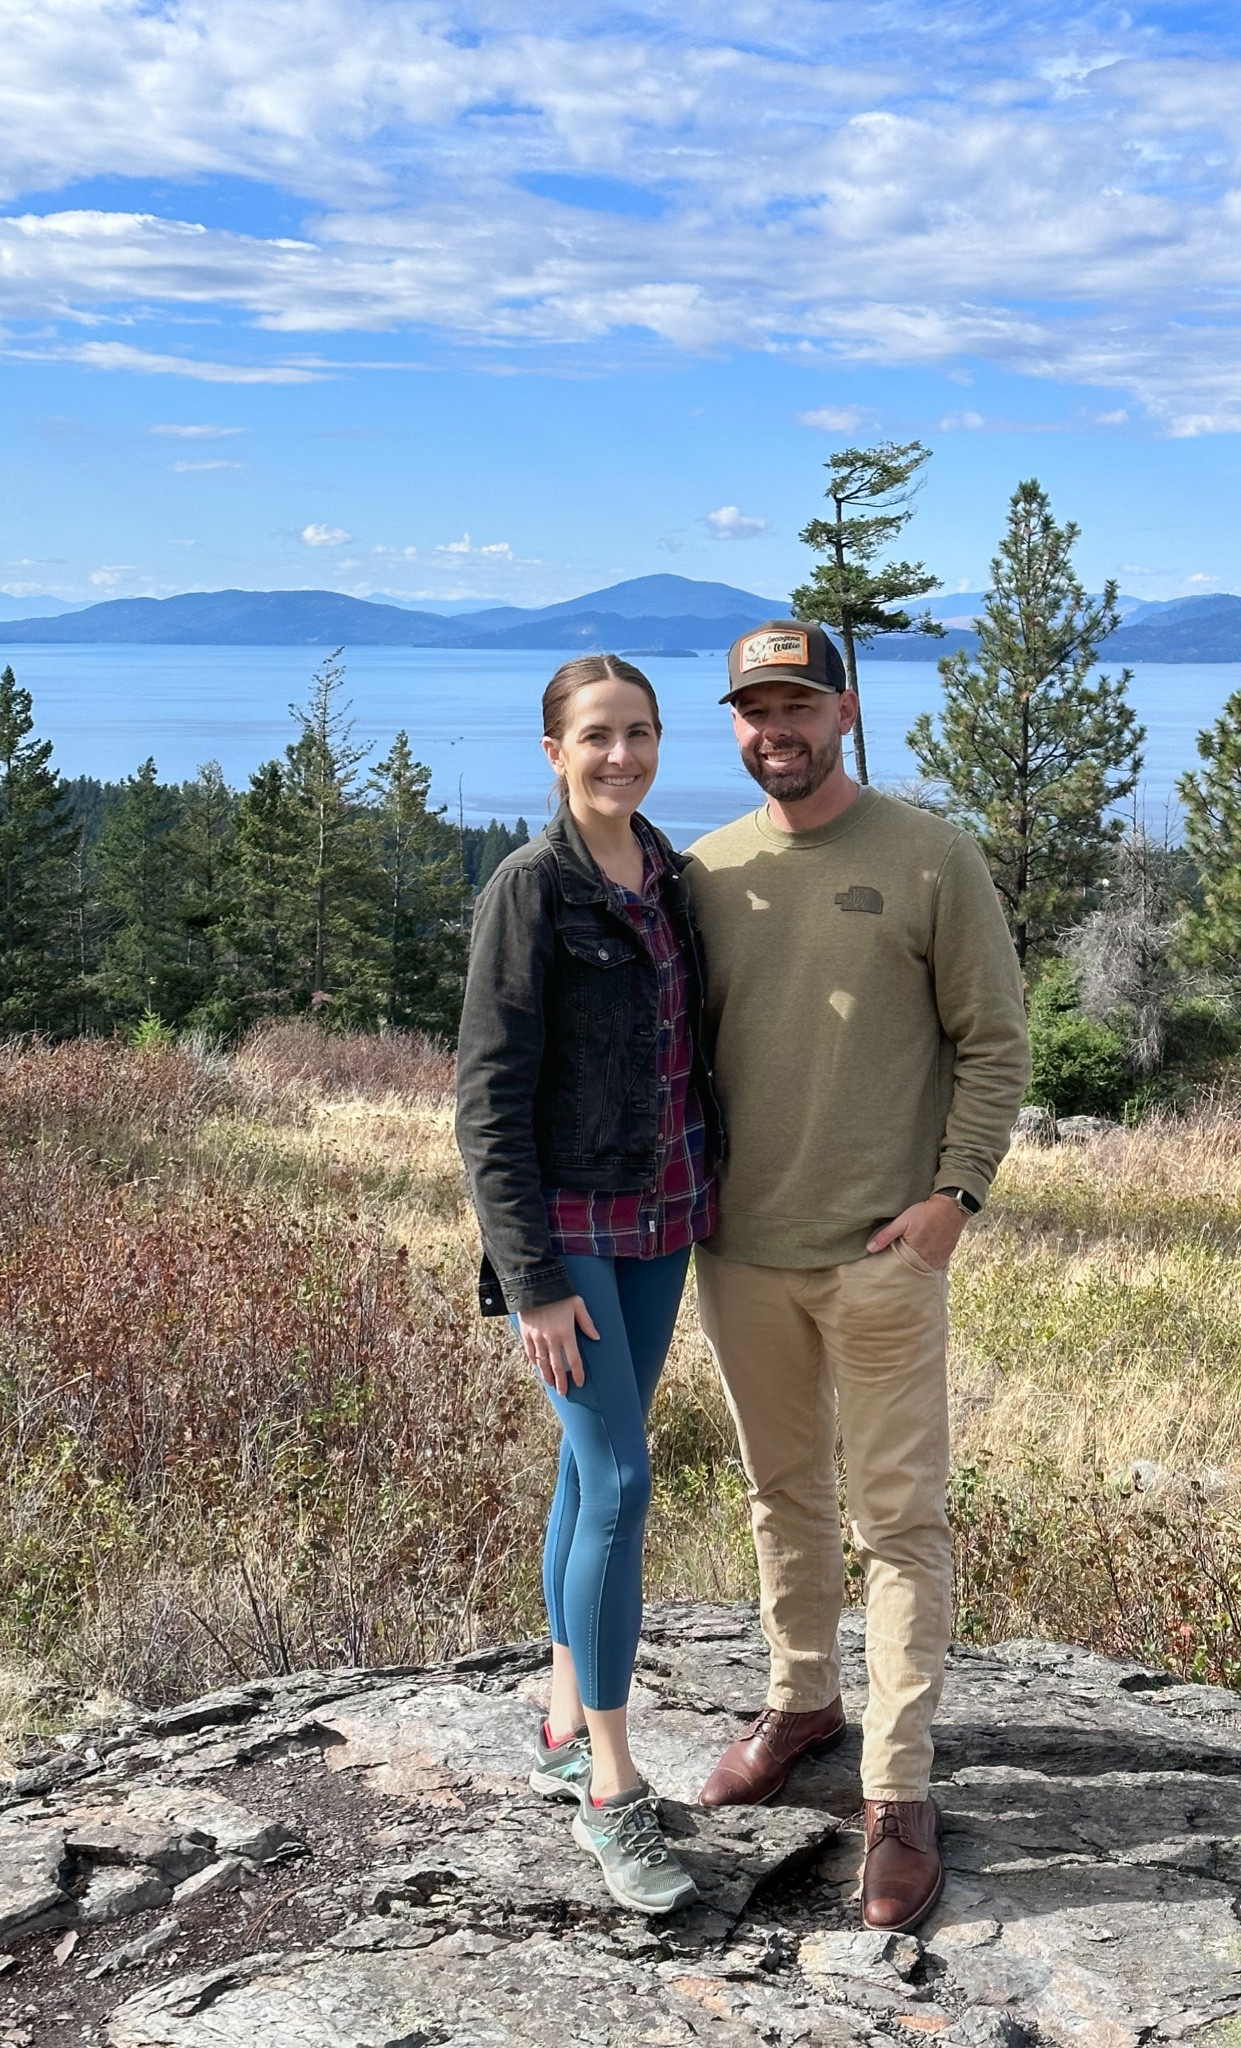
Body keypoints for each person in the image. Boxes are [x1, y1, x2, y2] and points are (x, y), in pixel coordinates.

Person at [684, 620, 1029, 1933]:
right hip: (742, 1255)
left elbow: (995, 1043)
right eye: (755, 709)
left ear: (845, 709)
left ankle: (896, 1787)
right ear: (737, 725)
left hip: (885, 1255)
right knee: (782, 1497)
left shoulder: (930, 855)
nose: (778, 728)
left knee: (898, 1521)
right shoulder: (707, 872)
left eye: (800, 704)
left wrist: (956, 1199)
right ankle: (800, 1700)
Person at [455, 653, 722, 1917]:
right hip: (567, 1234)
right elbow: (488, 1103)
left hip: (664, 1214)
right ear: (554, 750)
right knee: (620, 1476)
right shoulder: (531, 887)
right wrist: (532, 1279)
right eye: (598, 737)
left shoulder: (670, 875)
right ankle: (615, 1788)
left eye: (642, 733)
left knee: (585, 1469)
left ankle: (564, 1716)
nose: (623, 756)